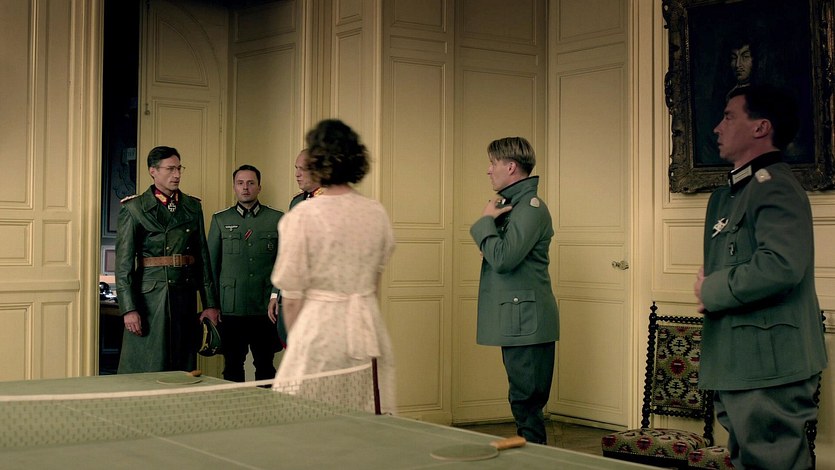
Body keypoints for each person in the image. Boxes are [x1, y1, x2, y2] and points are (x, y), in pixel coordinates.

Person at [694, 85, 828, 469]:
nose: (717, 127)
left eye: (729, 116)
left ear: (760, 127)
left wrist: (710, 289)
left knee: (774, 462)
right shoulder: (728, 195)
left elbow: (781, 266)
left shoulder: (775, 186)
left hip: (768, 364)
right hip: (740, 360)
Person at [270, 119, 397, 413]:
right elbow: (374, 286)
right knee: (365, 415)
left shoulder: (302, 217)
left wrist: (298, 345)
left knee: (311, 417)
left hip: (319, 331)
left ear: (316, 161)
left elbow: (292, 297)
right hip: (366, 331)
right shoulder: (376, 213)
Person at [469, 137, 559, 445]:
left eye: (493, 163)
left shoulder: (530, 209)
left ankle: (536, 461)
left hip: (526, 320)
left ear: (510, 167)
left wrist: (485, 222)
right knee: (522, 399)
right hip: (519, 318)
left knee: (527, 401)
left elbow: (503, 259)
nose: (488, 170)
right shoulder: (513, 206)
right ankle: (532, 458)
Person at [115, 146, 219, 373]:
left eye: (179, 168)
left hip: (184, 294)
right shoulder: (134, 208)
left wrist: (210, 304)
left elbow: (203, 259)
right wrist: (128, 309)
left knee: (182, 364)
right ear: (153, 171)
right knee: (149, 364)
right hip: (150, 299)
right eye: (170, 169)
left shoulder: (192, 206)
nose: (177, 174)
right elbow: (123, 266)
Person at [207, 165, 284, 382]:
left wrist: (276, 296)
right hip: (231, 308)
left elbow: (284, 263)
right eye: (240, 183)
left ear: (259, 187)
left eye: (251, 183)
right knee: (232, 366)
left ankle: (266, 405)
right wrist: (211, 305)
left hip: (265, 308)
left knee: (265, 366)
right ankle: (234, 405)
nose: (245, 188)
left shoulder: (276, 218)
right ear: (234, 187)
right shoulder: (221, 220)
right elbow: (211, 268)